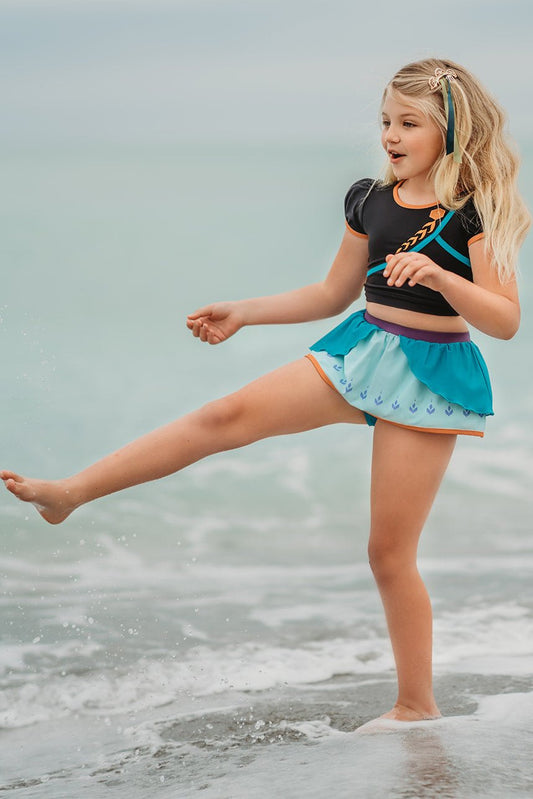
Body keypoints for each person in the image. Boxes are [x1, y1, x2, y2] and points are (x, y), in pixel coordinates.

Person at [2, 58, 530, 728]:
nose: (390, 135)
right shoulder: (367, 198)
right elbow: (331, 294)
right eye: (385, 121)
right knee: (223, 414)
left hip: (429, 376)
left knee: (387, 552)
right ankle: (69, 494)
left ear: (449, 131)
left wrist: (440, 277)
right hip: (362, 348)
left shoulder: (474, 209)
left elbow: (504, 320)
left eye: (408, 123)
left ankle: (414, 705)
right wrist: (246, 310)